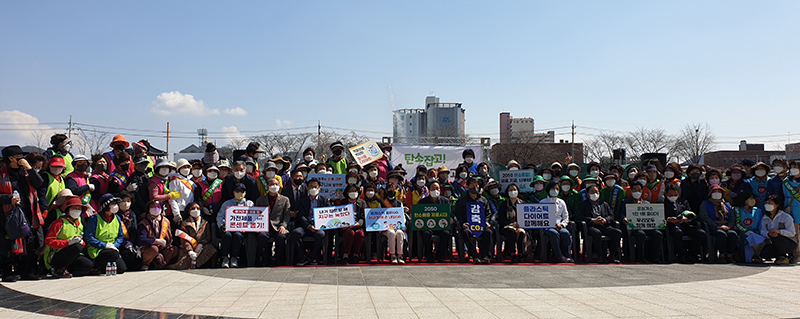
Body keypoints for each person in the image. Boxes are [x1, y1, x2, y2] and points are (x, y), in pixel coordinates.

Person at [0, 145, 46, 282]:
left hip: (27, 213)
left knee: (28, 242)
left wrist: (30, 169)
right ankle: (7, 271)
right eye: (20, 157)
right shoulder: (1, 174)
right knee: (6, 244)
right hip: (6, 214)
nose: (23, 159)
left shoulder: (25, 172)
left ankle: (26, 270)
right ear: (11, 159)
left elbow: (39, 183)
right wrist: (9, 199)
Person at [43, 196, 93, 278]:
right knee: (76, 246)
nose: (77, 210)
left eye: (79, 208)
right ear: (68, 210)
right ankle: (58, 269)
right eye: (74, 208)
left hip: (73, 255)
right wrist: (68, 242)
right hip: (56, 254)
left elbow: (82, 241)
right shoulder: (59, 223)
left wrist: (82, 242)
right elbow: (49, 241)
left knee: (88, 265)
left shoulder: (79, 224)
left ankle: (68, 270)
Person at [577, 185, 621, 263]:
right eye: (592, 192)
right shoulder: (583, 204)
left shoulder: (604, 204)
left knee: (617, 232)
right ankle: (600, 255)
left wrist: (605, 220)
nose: (595, 194)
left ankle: (612, 255)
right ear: (588, 194)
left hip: (603, 225)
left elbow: (611, 216)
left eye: (596, 192)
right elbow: (579, 216)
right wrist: (592, 220)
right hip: (591, 226)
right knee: (596, 233)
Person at [454, 177, 494, 264]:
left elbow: (488, 213)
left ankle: (485, 256)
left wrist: (487, 222)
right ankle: (474, 255)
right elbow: (458, 215)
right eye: (472, 185)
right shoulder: (461, 201)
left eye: (476, 185)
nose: (475, 187)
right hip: (468, 226)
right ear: (467, 186)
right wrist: (462, 223)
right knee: (466, 232)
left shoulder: (483, 200)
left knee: (488, 232)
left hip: (481, 225)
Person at [85, 194, 127, 275]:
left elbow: (121, 236)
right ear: (106, 206)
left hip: (113, 248)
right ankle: (96, 266)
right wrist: (104, 245)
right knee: (113, 254)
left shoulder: (117, 218)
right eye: (113, 204)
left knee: (122, 268)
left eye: (116, 204)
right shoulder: (94, 219)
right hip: (98, 250)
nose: (116, 206)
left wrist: (114, 245)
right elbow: (89, 237)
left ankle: (103, 267)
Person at [623, 182, 664, 263]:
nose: (637, 192)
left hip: (648, 226)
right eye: (634, 190)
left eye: (639, 190)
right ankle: (641, 257)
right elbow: (621, 214)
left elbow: (654, 216)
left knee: (658, 234)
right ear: (631, 191)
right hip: (635, 227)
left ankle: (655, 257)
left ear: (642, 191)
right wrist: (624, 219)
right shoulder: (625, 202)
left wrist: (661, 221)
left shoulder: (646, 203)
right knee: (640, 234)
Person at [663, 184, 704, 263]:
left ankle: (691, 254)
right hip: (671, 226)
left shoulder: (683, 202)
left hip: (685, 224)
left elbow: (691, 215)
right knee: (678, 233)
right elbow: (659, 216)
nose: (673, 196)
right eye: (671, 195)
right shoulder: (661, 203)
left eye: (675, 195)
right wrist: (668, 219)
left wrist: (686, 219)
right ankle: (680, 255)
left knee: (701, 233)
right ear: (666, 194)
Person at [292, 178, 328, 265]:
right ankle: (302, 257)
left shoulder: (324, 200)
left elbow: (328, 215)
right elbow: (301, 216)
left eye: (315, 187)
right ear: (307, 188)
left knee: (321, 234)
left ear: (319, 188)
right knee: (296, 232)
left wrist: (318, 225)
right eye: (311, 187)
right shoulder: (303, 201)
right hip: (306, 226)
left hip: (319, 226)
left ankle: (313, 256)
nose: (313, 189)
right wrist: (308, 226)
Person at [255, 178, 291, 266]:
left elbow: (287, 215)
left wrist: (283, 225)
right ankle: (265, 259)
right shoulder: (260, 199)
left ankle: (278, 259)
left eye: (276, 184)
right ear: (267, 187)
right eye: (271, 184)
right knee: (262, 236)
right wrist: (257, 226)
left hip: (278, 226)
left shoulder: (285, 199)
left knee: (281, 237)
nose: (274, 186)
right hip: (265, 227)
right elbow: (256, 214)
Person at [170, 202, 216, 269]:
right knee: (182, 263)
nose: (196, 210)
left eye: (198, 208)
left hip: (201, 247)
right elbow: (184, 239)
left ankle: (197, 264)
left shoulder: (205, 223)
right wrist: (190, 250)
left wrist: (201, 244)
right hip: (189, 247)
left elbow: (208, 237)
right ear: (189, 211)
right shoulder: (185, 223)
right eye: (193, 208)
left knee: (210, 248)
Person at [699, 185, 738, 263]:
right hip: (714, 227)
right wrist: (716, 226)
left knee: (732, 234)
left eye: (719, 192)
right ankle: (722, 254)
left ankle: (730, 254)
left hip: (726, 226)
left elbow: (732, 217)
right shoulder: (705, 203)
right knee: (721, 234)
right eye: (715, 192)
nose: (717, 194)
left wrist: (729, 226)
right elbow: (704, 217)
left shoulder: (727, 204)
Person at [218, 183, 252, 268]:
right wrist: (222, 225)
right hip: (227, 228)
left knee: (238, 235)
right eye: (237, 191)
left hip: (241, 230)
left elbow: (252, 218)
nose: (240, 193)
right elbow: (220, 216)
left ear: (245, 193)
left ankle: (234, 258)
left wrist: (247, 227)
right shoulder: (227, 203)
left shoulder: (250, 204)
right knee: (227, 235)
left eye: (242, 191)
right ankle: (225, 258)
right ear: (233, 192)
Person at [138, 200, 177, 270]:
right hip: (150, 247)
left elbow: (170, 238)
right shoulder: (144, 222)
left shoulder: (166, 221)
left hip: (163, 247)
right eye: (153, 207)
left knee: (174, 249)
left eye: (158, 207)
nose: (156, 209)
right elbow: (141, 239)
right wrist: (155, 241)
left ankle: (160, 263)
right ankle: (146, 264)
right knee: (154, 249)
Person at [417, 181, 451, 262]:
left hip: (441, 227)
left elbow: (449, 214)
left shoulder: (445, 201)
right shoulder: (422, 202)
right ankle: (429, 256)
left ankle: (439, 255)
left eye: (437, 189)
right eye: (433, 188)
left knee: (446, 233)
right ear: (429, 190)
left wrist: (451, 219)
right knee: (425, 233)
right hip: (428, 227)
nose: (435, 190)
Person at [539, 182, 573, 263]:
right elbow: (540, 217)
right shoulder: (542, 202)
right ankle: (559, 256)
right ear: (548, 190)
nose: (555, 191)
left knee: (566, 234)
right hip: (547, 227)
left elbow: (565, 216)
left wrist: (562, 224)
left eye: (557, 189)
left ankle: (567, 255)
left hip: (559, 225)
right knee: (554, 234)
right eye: (553, 189)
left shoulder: (561, 202)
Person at [760, 196, 797, 265]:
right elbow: (762, 231)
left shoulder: (786, 217)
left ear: (777, 205)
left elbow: (792, 233)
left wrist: (779, 232)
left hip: (789, 243)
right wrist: (768, 234)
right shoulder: (765, 218)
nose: (767, 205)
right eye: (766, 203)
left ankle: (783, 257)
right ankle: (779, 256)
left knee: (776, 236)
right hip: (773, 243)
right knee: (764, 253)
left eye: (770, 203)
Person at [336, 184, 367, 264]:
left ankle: (356, 255)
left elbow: (363, 217)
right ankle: (345, 255)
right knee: (350, 233)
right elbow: (339, 216)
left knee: (360, 233)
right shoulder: (343, 202)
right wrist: (344, 225)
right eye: (351, 191)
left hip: (357, 226)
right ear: (347, 193)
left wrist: (359, 224)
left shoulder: (362, 202)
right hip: (346, 227)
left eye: (355, 191)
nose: (353, 193)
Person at [496, 183, 526, 262]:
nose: (513, 192)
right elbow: (501, 218)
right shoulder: (504, 204)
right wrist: (511, 225)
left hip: (520, 226)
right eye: (511, 190)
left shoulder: (522, 204)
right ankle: (512, 254)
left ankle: (520, 254)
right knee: (512, 232)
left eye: (514, 190)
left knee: (521, 232)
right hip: (507, 227)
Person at [733, 191, 764, 263]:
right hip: (743, 236)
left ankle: (757, 255)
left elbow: (760, 225)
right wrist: (748, 232)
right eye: (750, 198)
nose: (752, 200)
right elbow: (737, 224)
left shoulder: (758, 211)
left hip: (756, 235)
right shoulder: (737, 210)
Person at [115, 191, 141, 270]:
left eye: (128, 201)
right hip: (118, 243)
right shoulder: (115, 215)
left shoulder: (132, 214)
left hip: (130, 243)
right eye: (123, 201)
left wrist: (132, 243)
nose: (126, 204)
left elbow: (134, 230)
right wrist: (123, 243)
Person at [782, 161, 800, 263]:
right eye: (792, 167)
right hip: (790, 208)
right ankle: (795, 254)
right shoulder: (786, 181)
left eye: (796, 167)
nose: (794, 169)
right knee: (793, 233)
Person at [168, 158, 196, 225]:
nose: (186, 169)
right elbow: (172, 199)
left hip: (190, 211)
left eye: (188, 167)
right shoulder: (175, 181)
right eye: (184, 167)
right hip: (180, 211)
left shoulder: (191, 182)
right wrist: (176, 214)